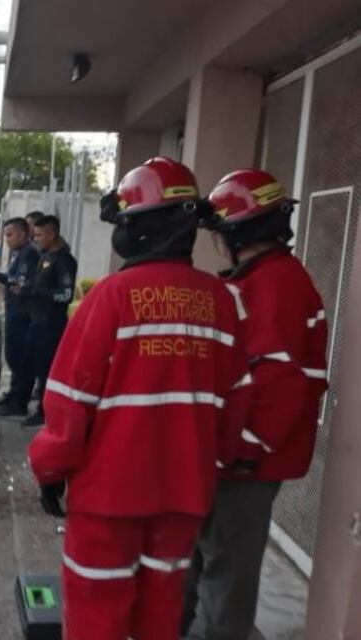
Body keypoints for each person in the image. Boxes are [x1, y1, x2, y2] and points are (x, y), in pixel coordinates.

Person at [27, 157, 251, 640]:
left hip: (108, 497)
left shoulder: (111, 297)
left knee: (96, 614)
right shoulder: (224, 302)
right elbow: (235, 404)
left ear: (141, 229)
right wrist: (217, 463)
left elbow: (68, 404)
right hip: (184, 495)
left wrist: (50, 472)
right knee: (161, 611)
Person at [181, 169, 328, 640]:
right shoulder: (265, 279)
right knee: (205, 564)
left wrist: (244, 448)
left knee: (226, 577)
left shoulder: (275, 284)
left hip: (247, 464)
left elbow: (278, 378)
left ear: (236, 232)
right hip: (237, 457)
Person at [17, 215, 78, 426]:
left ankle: (45, 411)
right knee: (30, 365)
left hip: (51, 324)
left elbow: (65, 295)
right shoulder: (44, 256)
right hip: (37, 321)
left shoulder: (64, 261)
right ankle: (24, 403)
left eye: (40, 235)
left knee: (46, 371)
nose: (37, 239)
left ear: (52, 234)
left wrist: (37, 291)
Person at [0, 218, 39, 415]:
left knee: (21, 357)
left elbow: (20, 282)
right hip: (14, 310)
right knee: (13, 355)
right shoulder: (18, 253)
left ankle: (20, 401)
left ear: (22, 233)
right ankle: (14, 394)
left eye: (10, 234)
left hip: (23, 313)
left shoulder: (29, 253)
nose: (7, 239)